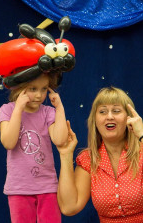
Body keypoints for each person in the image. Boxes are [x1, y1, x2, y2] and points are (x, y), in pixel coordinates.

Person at [57, 86, 143, 223]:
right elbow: (69, 207)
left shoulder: (141, 150)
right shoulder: (88, 159)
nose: (109, 116)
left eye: (116, 111)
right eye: (103, 112)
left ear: (129, 119)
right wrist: (66, 154)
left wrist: (142, 136)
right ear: (95, 121)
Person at [0, 72, 68, 223]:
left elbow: (60, 139)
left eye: (44, 89)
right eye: (33, 89)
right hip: (19, 188)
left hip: (47, 187)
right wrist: (18, 109)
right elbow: (8, 142)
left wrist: (59, 107)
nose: (39, 95)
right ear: (19, 88)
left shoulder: (48, 112)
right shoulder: (7, 110)